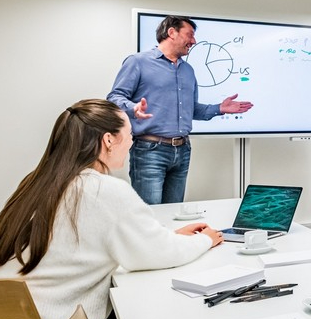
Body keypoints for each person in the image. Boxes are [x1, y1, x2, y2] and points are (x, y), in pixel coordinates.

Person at [0, 99, 224, 319]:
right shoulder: (103, 190)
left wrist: (160, 236)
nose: (133, 141)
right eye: (129, 134)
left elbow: (93, 243)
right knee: (145, 318)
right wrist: (206, 239)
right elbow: (160, 254)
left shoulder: (37, 182)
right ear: (108, 140)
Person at [107, 15, 254, 205]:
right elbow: (114, 97)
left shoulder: (188, 71)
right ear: (171, 33)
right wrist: (132, 108)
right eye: (190, 35)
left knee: (174, 212)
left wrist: (220, 108)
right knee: (150, 215)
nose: (194, 41)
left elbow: (192, 110)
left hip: (183, 151)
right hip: (149, 151)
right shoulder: (138, 62)